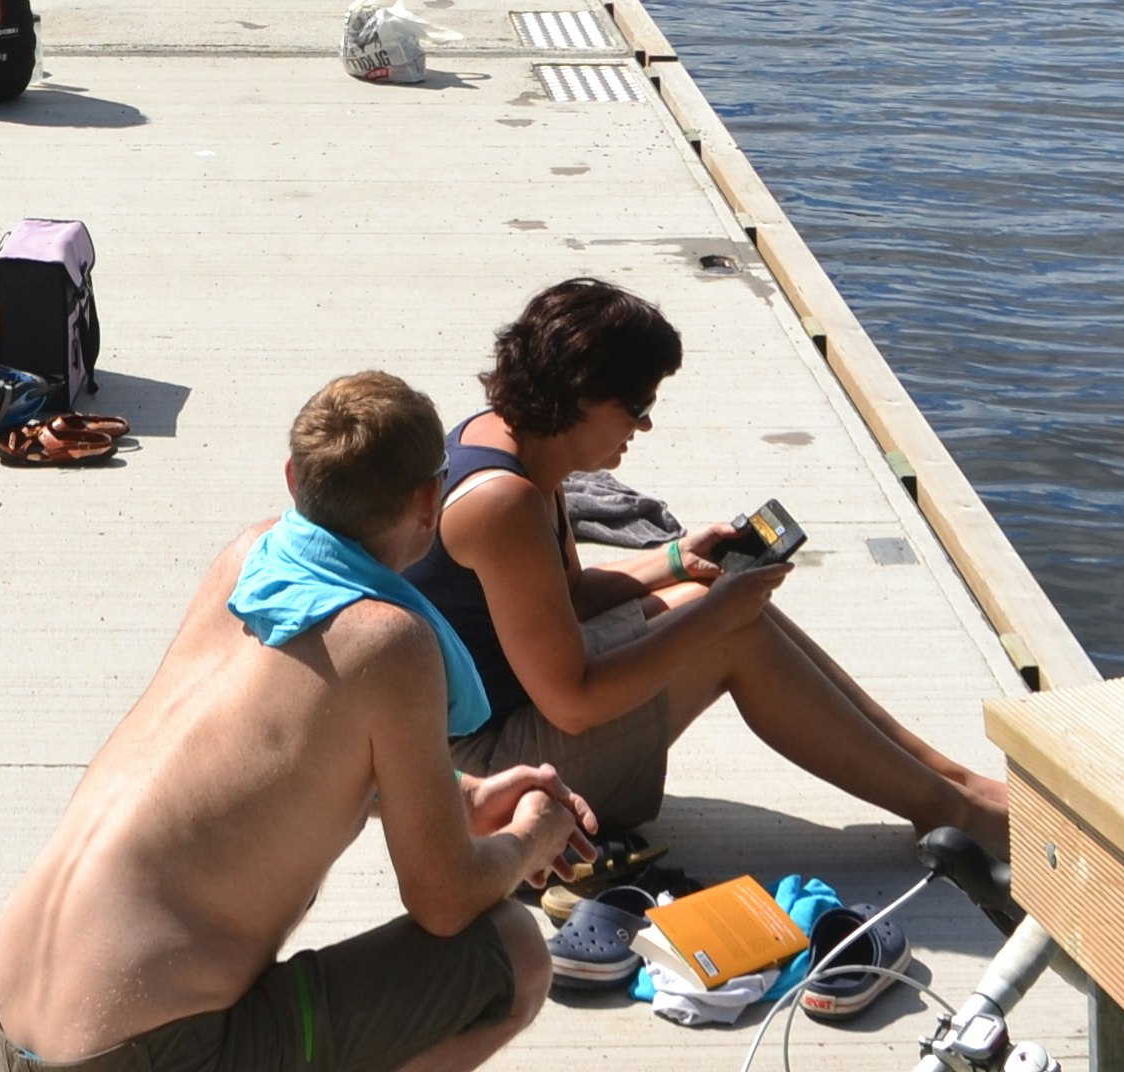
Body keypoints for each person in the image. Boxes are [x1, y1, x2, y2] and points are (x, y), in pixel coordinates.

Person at [0, 372, 577, 1071]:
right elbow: (444, 901)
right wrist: (531, 838)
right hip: (148, 1057)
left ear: (294, 478)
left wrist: (461, 795)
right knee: (512, 951)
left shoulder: (251, 558)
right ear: (429, 500)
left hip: (12, 1019)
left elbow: (277, 759)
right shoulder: (390, 642)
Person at [403, 278, 1009, 854]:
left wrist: (676, 559)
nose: (645, 423)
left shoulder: (511, 441)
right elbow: (573, 704)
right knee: (728, 629)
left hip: (510, 713)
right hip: (485, 776)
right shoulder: (502, 501)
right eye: (637, 404)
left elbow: (568, 595)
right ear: (581, 396)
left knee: (711, 598)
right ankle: (952, 811)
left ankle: (953, 783)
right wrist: (715, 617)